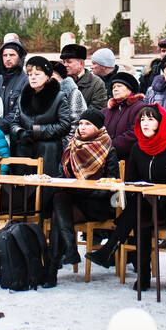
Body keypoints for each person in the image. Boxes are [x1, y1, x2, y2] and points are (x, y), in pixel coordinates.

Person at [86, 104, 166, 290]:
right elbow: (131, 182)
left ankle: (111, 250)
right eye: (142, 119)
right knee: (140, 213)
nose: (145, 123)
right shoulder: (138, 148)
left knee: (139, 210)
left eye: (151, 119)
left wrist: (163, 191)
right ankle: (141, 274)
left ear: (161, 123)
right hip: (146, 206)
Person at [49, 107, 119, 271]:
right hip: (74, 200)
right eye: (80, 123)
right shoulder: (72, 147)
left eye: (87, 124)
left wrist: (82, 190)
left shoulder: (108, 149)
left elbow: (111, 183)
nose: (82, 127)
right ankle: (68, 253)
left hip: (98, 203)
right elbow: (63, 175)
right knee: (58, 200)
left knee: (57, 214)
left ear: (98, 127)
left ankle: (54, 266)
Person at [10, 56, 71, 176]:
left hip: (48, 152)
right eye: (30, 74)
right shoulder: (23, 97)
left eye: (37, 74)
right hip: (24, 152)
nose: (32, 77)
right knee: (23, 190)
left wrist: (37, 131)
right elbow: (14, 122)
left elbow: (64, 125)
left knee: (44, 190)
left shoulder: (59, 97)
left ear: (48, 76)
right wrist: (20, 132)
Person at [0, 40, 27, 138]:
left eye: (12, 55)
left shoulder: (26, 81)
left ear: (20, 57)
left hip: (17, 138)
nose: (8, 58)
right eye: (5, 55)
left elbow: (20, 112)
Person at [103, 71, 146, 160]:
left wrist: (109, 146)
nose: (115, 89)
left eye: (119, 86)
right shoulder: (107, 110)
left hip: (129, 159)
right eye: (114, 87)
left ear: (130, 89)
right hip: (108, 158)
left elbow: (134, 134)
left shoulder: (139, 107)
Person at [61, 44, 107, 109]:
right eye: (63, 62)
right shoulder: (60, 81)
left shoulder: (97, 84)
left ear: (81, 63)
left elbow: (97, 110)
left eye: (69, 62)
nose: (65, 65)